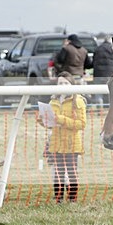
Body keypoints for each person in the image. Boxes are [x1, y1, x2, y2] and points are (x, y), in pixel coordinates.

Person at [37, 72, 87, 203]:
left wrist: (61, 119)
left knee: (71, 171)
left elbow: (81, 124)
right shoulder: (53, 101)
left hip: (71, 144)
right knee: (57, 172)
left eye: (66, 83)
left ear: (72, 84)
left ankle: (72, 199)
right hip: (56, 143)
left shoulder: (78, 101)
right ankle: (58, 198)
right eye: (60, 83)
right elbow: (51, 125)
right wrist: (43, 120)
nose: (63, 85)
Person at [91, 37, 113, 107]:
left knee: (98, 93)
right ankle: (109, 108)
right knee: (110, 92)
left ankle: (99, 109)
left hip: (98, 74)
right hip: (110, 74)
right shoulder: (112, 49)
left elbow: (93, 62)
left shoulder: (97, 48)